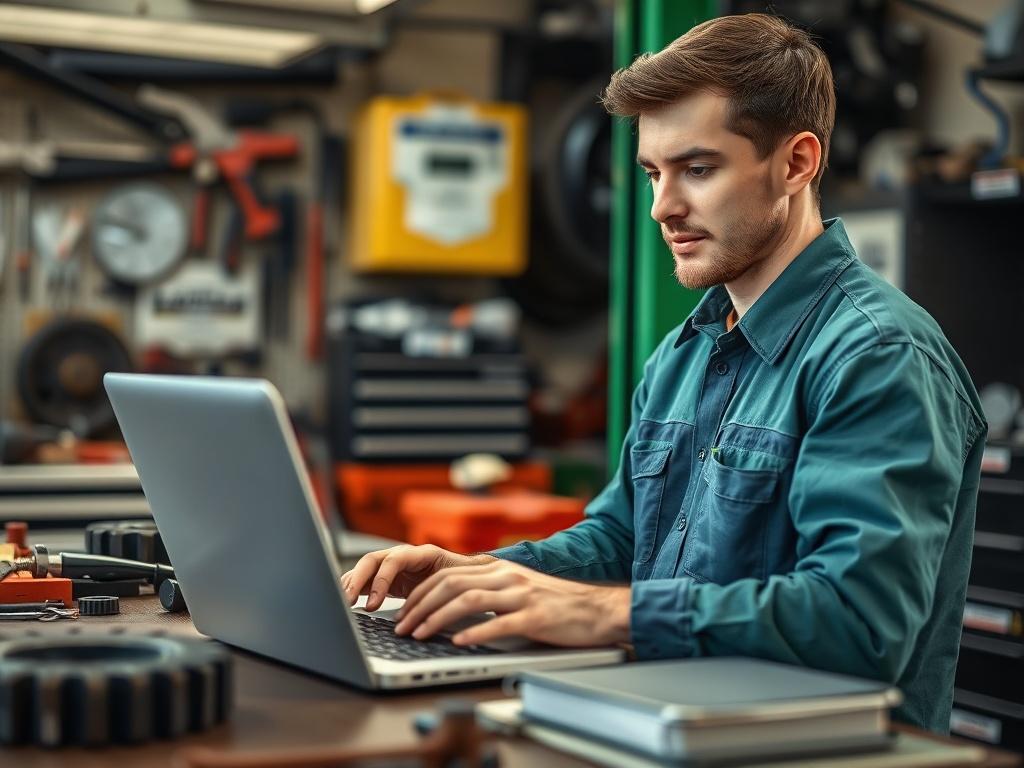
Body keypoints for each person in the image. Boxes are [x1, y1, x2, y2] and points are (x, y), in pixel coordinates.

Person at [343, 13, 985, 733]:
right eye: (653, 172)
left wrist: (605, 612)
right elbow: (621, 540)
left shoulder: (877, 355)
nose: (662, 207)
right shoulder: (687, 348)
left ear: (797, 163)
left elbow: (860, 624)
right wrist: (480, 575)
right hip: (675, 725)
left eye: (698, 169)